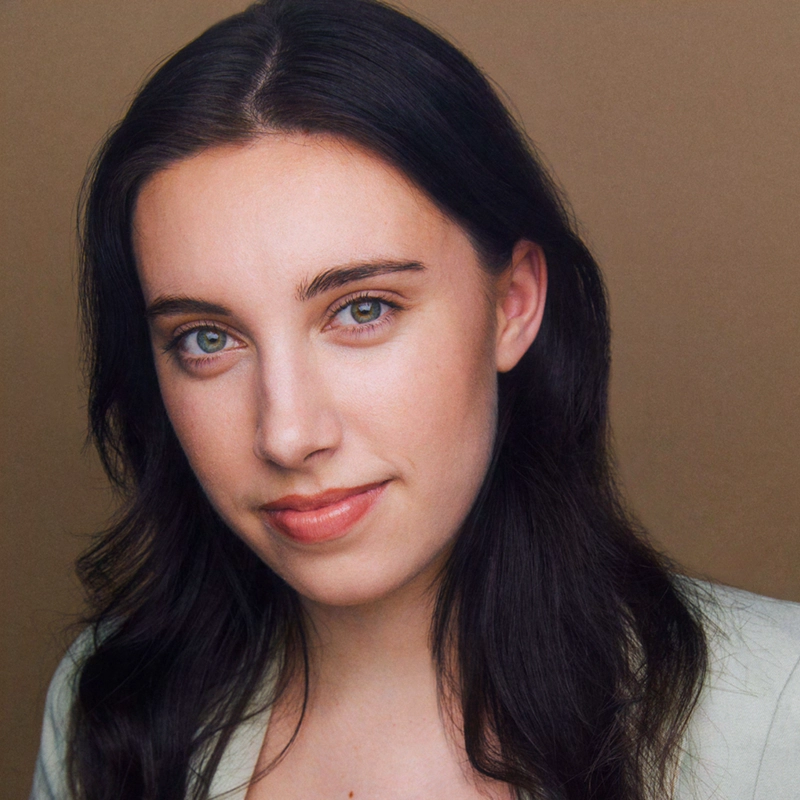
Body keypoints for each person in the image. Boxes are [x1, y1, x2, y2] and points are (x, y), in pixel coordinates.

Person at [29, 0, 800, 798]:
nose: (288, 434)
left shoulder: (780, 711)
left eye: (363, 309)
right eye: (206, 338)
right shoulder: (108, 708)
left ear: (513, 304)